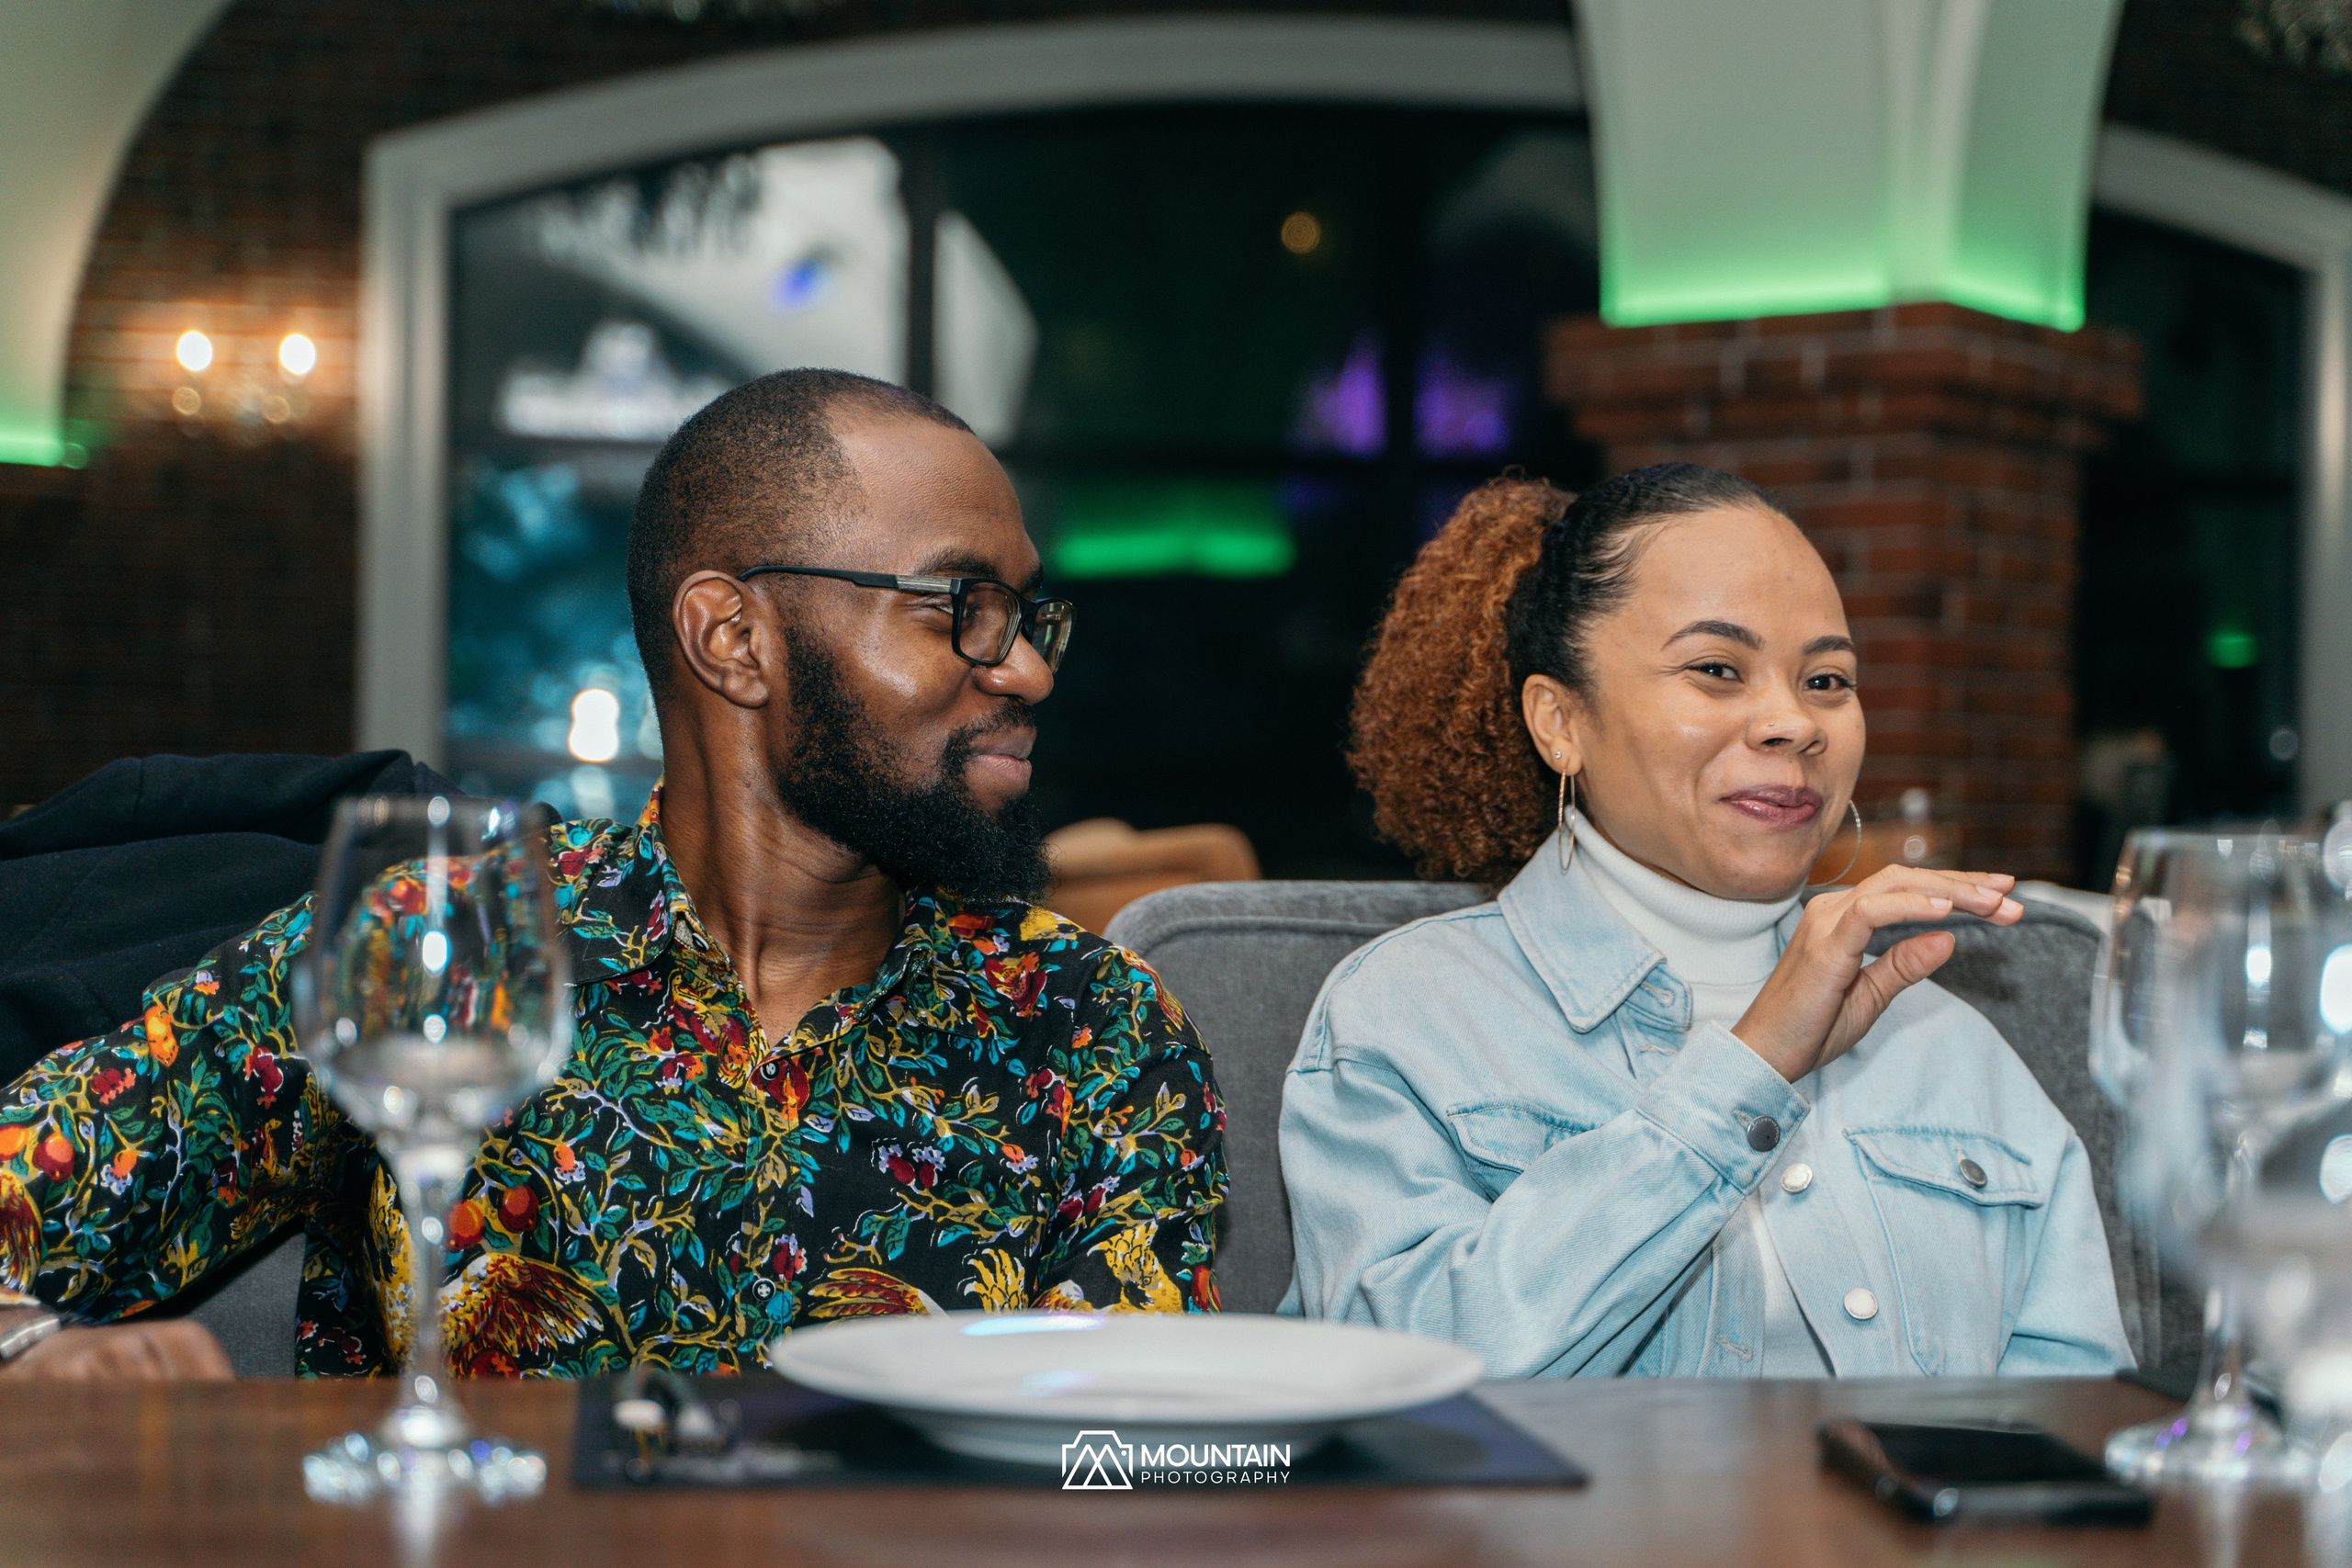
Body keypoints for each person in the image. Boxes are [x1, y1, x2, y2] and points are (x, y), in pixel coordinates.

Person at [0, 369, 1226, 1379]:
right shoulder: (440, 945)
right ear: (732, 638)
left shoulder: (1097, 1029)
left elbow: (1128, 1461)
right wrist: (38, 1349)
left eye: (1029, 616)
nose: (1028, 670)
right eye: (964, 603)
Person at [1279, 464, 2127, 1379]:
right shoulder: (1406, 1018)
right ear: (1560, 721)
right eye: (1717, 669)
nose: (1793, 722)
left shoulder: (1949, 1046)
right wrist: (1751, 1066)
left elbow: (2070, 1417)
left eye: (1827, 679)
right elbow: (1397, 1382)